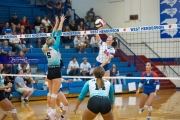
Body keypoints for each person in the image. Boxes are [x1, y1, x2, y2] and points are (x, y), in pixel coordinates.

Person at [42, 15, 65, 120]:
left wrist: (56, 23)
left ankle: (49, 112)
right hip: (56, 71)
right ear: (53, 41)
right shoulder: (55, 47)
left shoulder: (46, 48)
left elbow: (54, 33)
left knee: (51, 94)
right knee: (54, 95)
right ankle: (51, 113)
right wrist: (61, 21)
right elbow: (59, 32)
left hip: (49, 71)